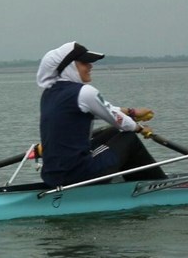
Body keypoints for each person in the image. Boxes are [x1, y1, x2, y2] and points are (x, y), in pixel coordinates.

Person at [36, 41, 167, 188]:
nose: (90, 66)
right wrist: (141, 129)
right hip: (77, 174)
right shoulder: (85, 92)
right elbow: (120, 121)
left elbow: (106, 110)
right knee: (129, 137)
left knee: (112, 131)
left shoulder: (49, 93)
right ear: (70, 66)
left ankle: (133, 181)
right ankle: (158, 185)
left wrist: (133, 112)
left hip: (52, 174)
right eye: (85, 63)